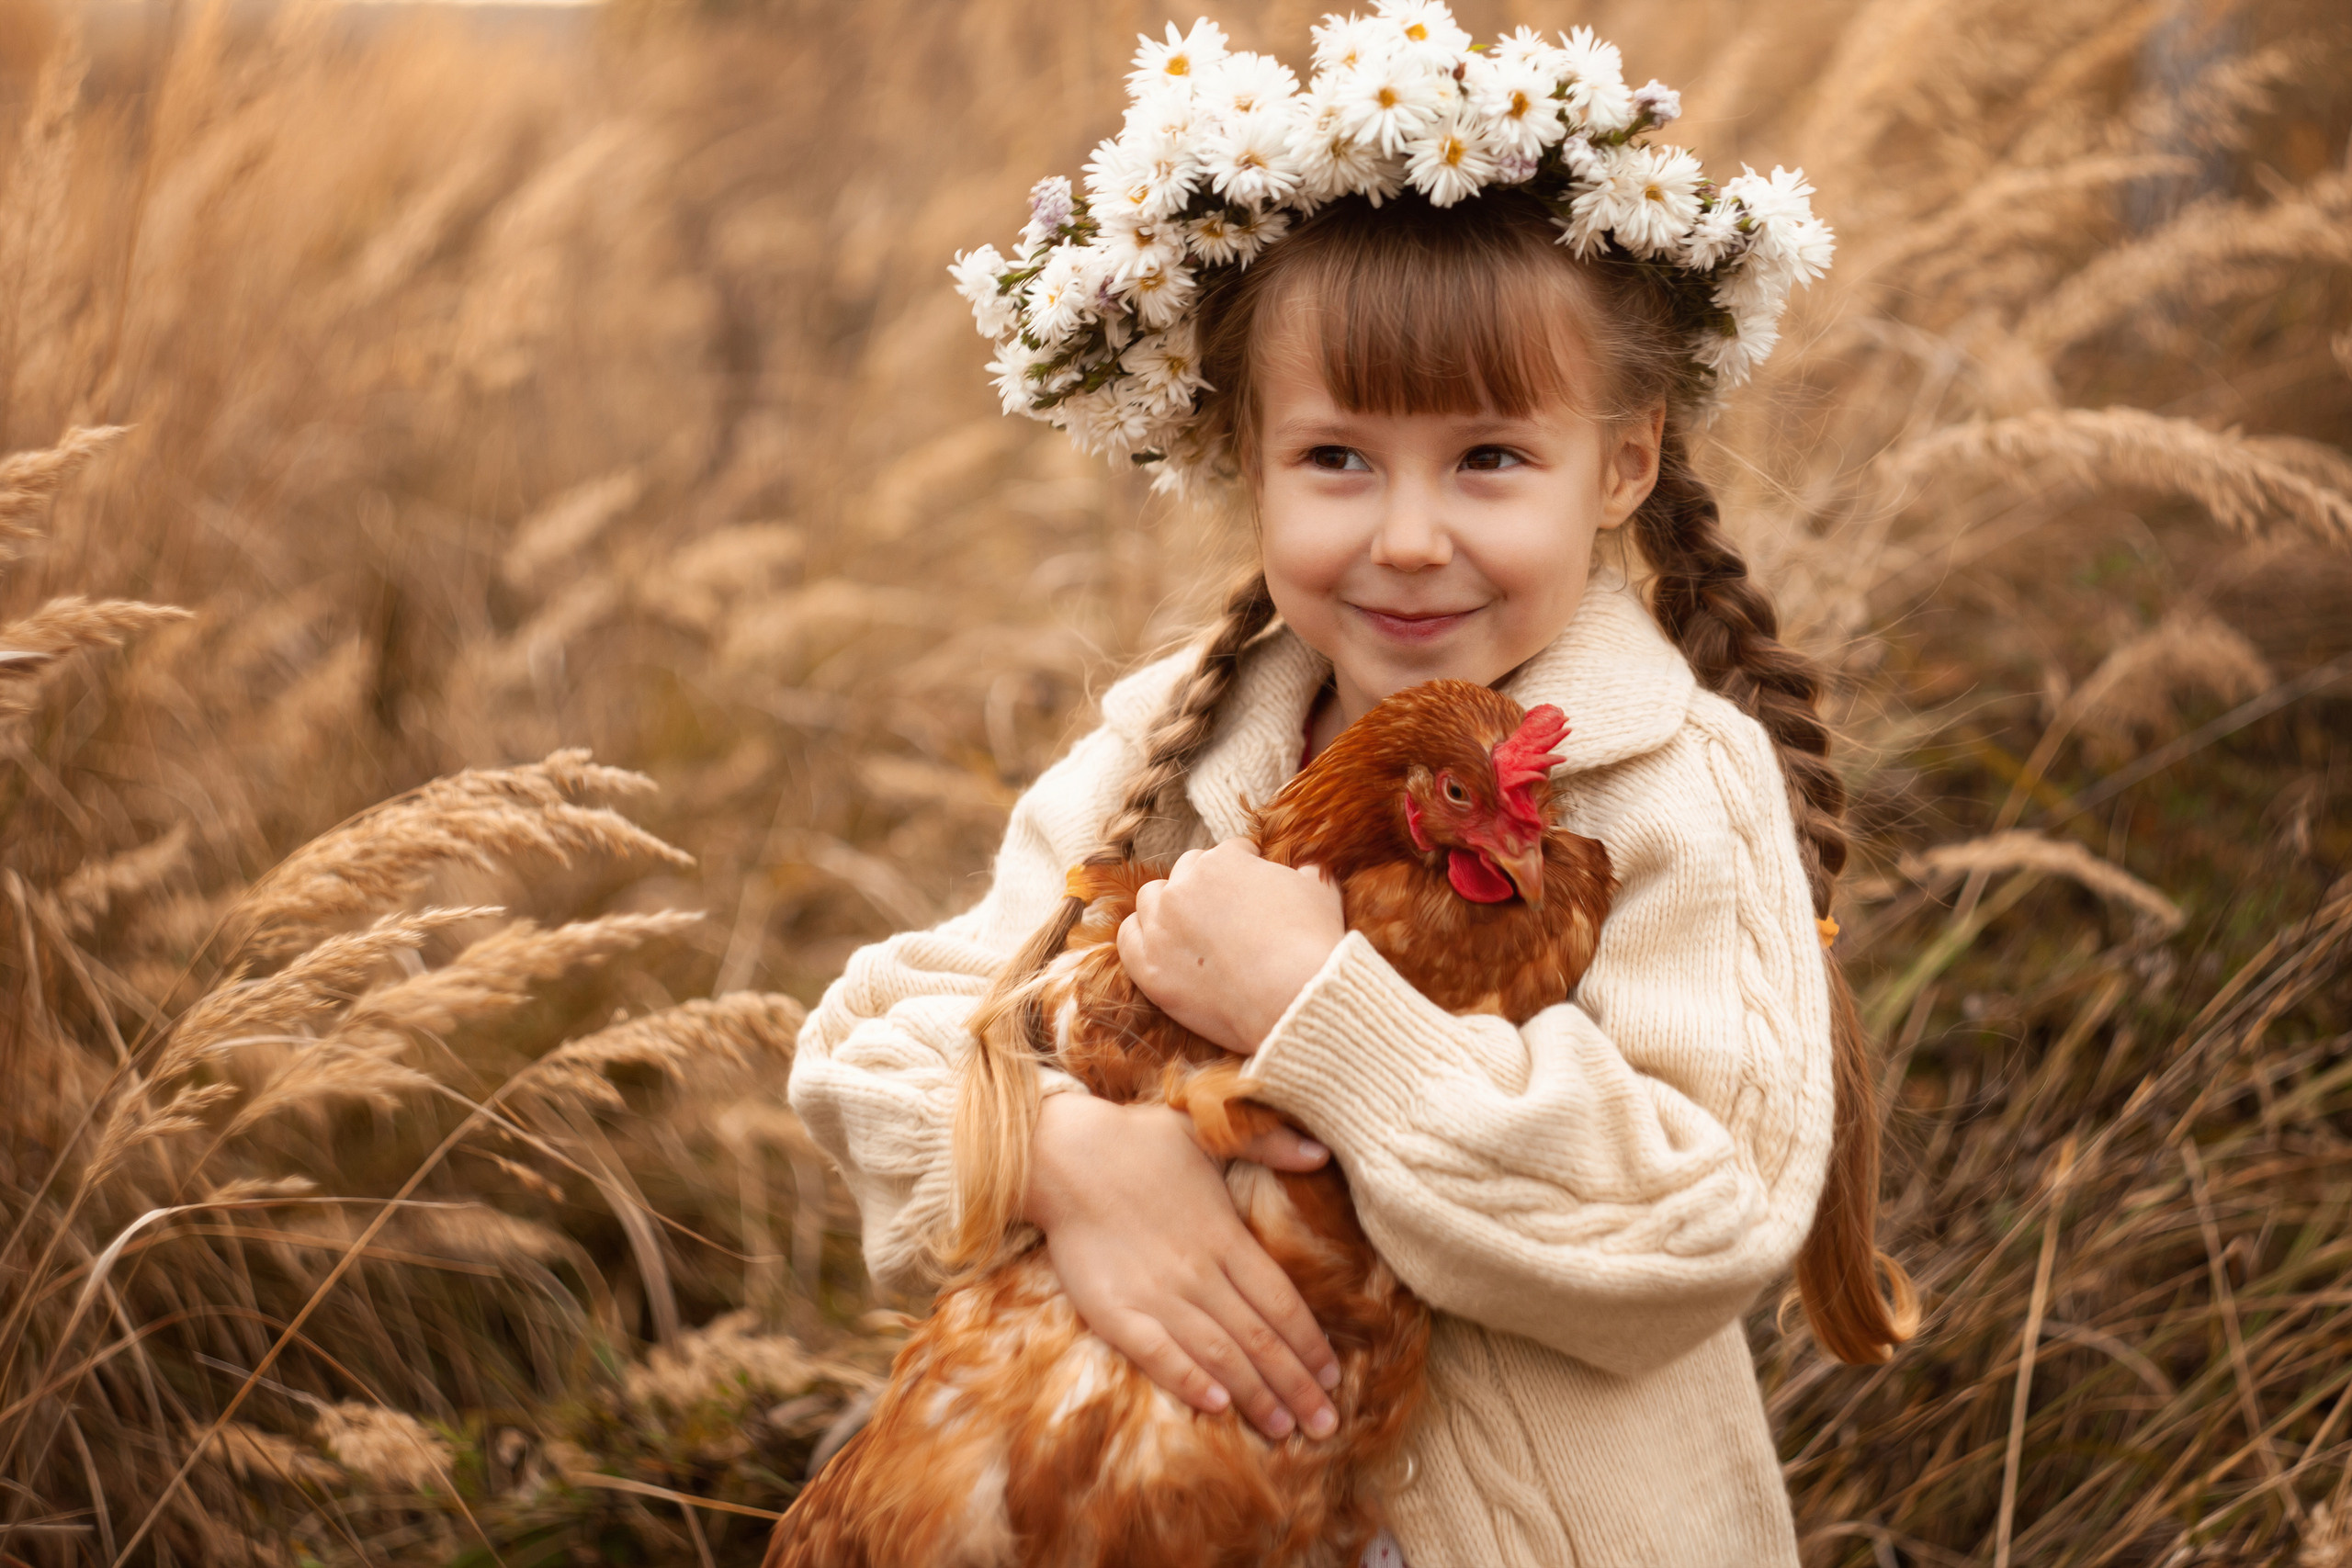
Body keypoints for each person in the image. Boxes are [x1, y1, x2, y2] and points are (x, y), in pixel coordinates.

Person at [787, 8, 1915, 1564]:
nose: (1407, 537)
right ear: (1244, 459)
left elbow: (1693, 1223)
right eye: (1337, 459)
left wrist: (1324, 1013)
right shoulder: (1168, 749)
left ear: (1625, 461)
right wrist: (1069, 1159)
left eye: (1489, 459)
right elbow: (871, 1050)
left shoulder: (1676, 790)